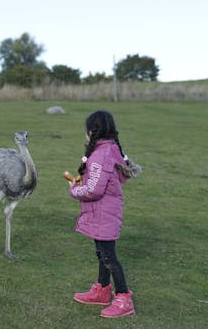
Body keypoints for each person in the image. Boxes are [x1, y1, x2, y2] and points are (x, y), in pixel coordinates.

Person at [68, 110, 136, 318]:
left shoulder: (100, 156)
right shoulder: (111, 149)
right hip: (102, 212)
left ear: (91, 131)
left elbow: (93, 190)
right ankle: (102, 290)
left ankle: (124, 297)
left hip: (104, 213)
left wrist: (74, 189)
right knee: (102, 253)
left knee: (109, 256)